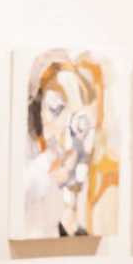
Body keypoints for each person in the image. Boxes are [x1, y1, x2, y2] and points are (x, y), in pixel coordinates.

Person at [23, 53, 118, 237]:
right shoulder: (32, 181)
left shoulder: (100, 184)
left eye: (78, 116)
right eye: (55, 109)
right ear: (38, 114)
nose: (67, 128)